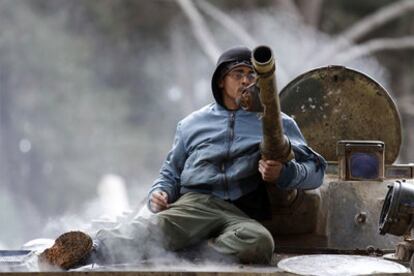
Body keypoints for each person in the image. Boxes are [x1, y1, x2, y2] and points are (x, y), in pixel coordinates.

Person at [39, 46, 326, 270]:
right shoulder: (192, 123)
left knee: (260, 241)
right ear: (221, 80)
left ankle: (187, 253)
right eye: (238, 74)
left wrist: (285, 174)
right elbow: (170, 173)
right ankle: (82, 251)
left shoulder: (276, 121)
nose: (247, 81)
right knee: (150, 230)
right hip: (194, 203)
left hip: (239, 211)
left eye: (252, 76)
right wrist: (160, 193)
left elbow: (316, 171)